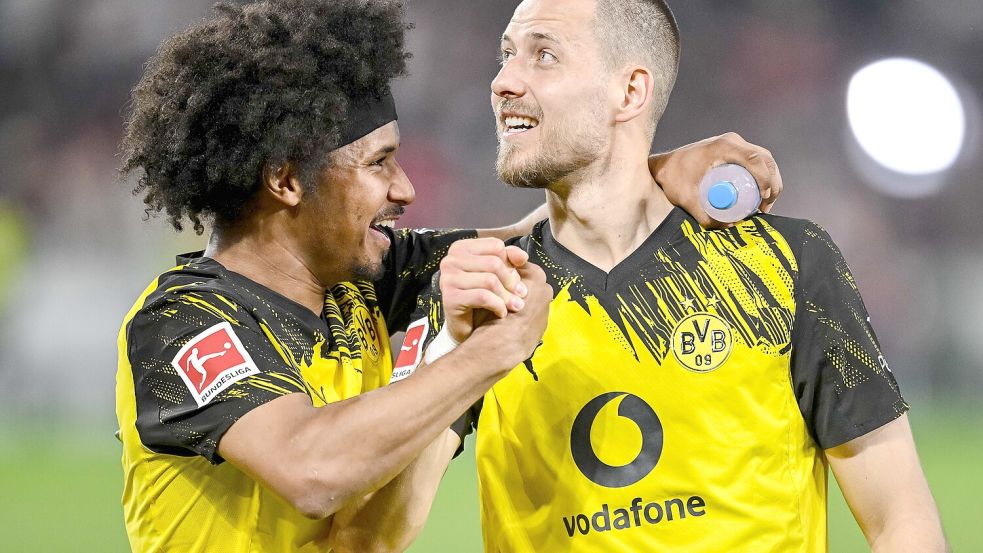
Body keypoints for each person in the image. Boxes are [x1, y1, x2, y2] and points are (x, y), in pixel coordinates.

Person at [115, 0, 784, 551]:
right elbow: (311, 471)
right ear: (287, 179)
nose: (405, 189)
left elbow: (545, 238)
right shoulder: (183, 322)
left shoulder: (374, 277)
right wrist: (478, 356)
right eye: (378, 163)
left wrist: (661, 169)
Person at [409, 0, 949, 551]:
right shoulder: (479, 294)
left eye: (543, 55)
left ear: (631, 92)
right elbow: (382, 530)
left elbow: (899, 517)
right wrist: (451, 349)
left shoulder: (784, 261)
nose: (503, 81)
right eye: (506, 55)